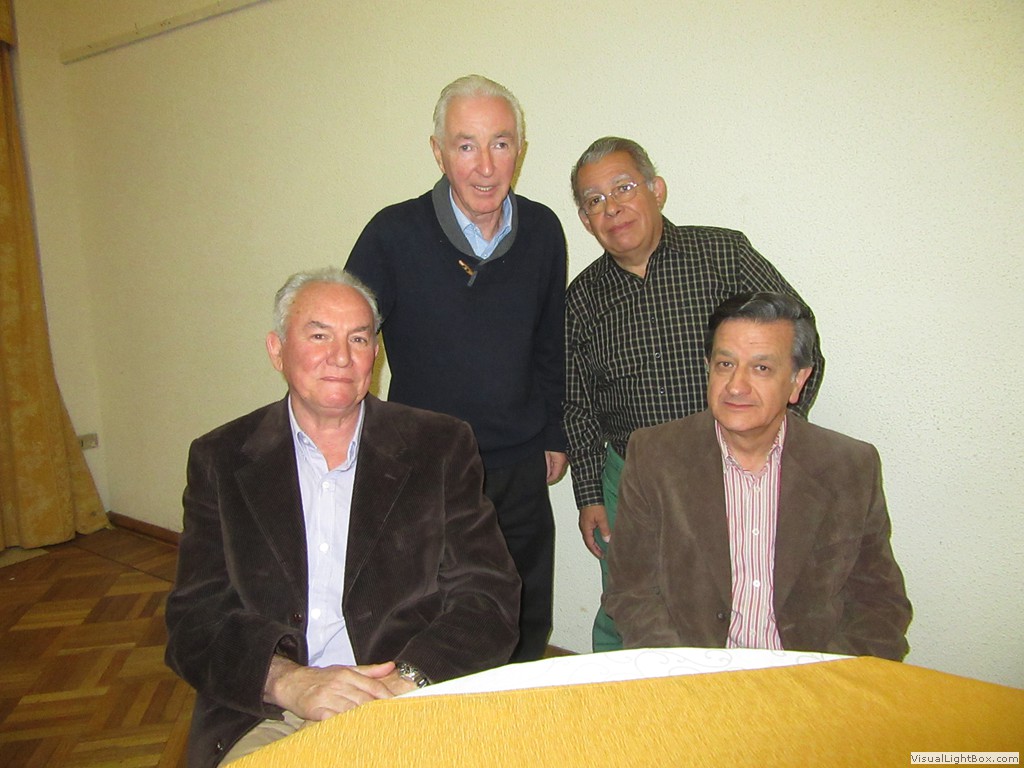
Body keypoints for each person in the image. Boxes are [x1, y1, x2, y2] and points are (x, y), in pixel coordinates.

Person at [165, 268, 521, 768]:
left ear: (375, 354)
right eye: (319, 336)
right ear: (276, 350)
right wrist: (288, 680)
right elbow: (195, 620)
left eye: (358, 338)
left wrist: (404, 682)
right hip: (272, 709)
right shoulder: (221, 458)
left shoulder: (439, 446)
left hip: (406, 696)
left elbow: (489, 596)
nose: (340, 357)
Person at [565, 136, 825, 651]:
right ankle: (627, 698)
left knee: (733, 603)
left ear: (656, 190)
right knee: (626, 606)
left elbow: (798, 337)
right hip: (630, 476)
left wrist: (777, 438)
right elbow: (576, 404)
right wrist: (590, 495)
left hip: (732, 467)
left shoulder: (724, 254)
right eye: (595, 200)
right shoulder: (580, 300)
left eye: (623, 188)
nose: (612, 208)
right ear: (585, 220)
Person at [345, 75, 567, 662]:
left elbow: (551, 341)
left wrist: (554, 432)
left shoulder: (544, 230)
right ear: (438, 152)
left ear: (520, 149)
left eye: (501, 143)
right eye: (466, 145)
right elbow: (349, 340)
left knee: (523, 613)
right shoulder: (392, 234)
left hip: (518, 462)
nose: (486, 166)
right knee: (432, 618)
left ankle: (515, 711)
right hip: (426, 466)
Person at [605, 292, 911, 660]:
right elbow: (632, 591)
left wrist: (820, 680)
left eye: (761, 368)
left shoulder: (849, 466)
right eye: (725, 364)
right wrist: (688, 673)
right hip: (693, 670)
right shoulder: (655, 455)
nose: (736, 386)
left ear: (797, 381)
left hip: (809, 674)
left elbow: (879, 602)